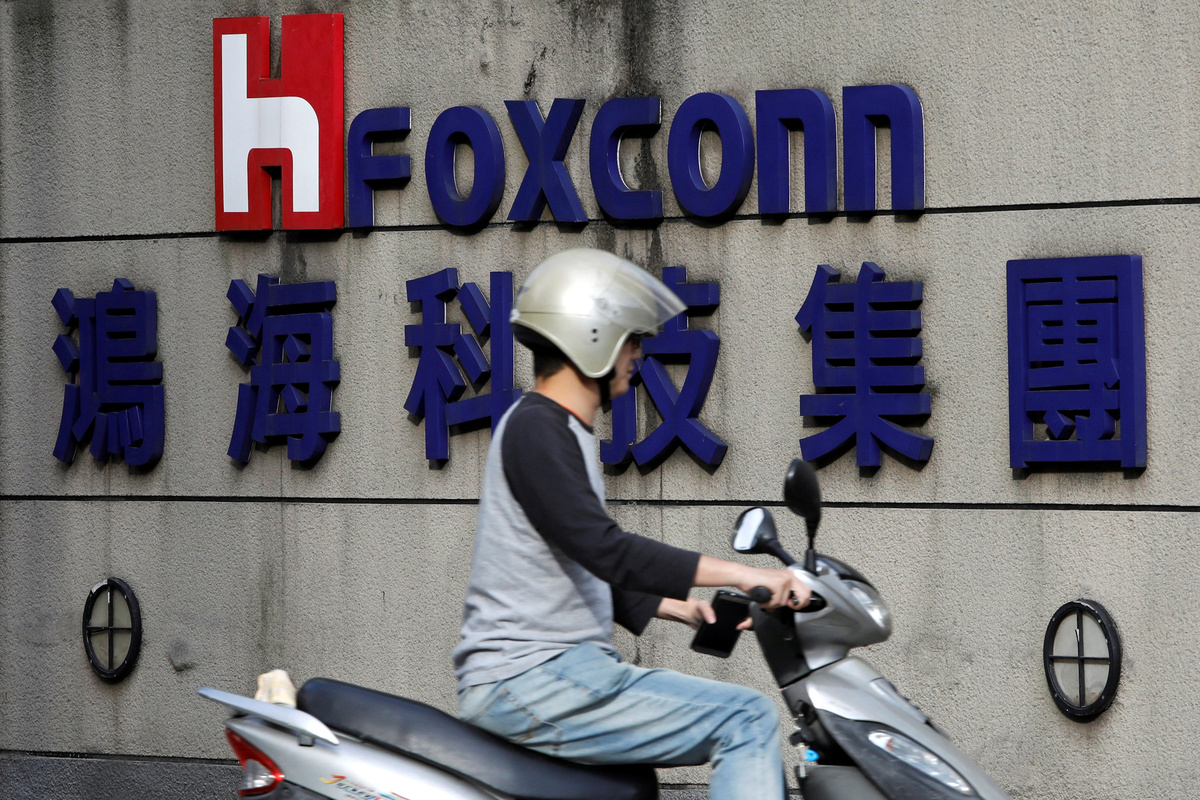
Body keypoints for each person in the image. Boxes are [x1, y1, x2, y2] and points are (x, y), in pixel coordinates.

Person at [452, 248, 810, 800]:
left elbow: (578, 557)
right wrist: (743, 574)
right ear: (589, 338)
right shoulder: (537, 429)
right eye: (629, 339)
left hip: (546, 674)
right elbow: (605, 549)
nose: (638, 353)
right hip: (531, 676)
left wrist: (680, 608)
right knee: (746, 717)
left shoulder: (556, 429)